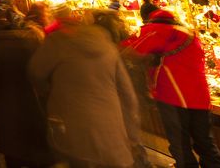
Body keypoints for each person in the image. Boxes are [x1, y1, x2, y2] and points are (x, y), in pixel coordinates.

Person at [28, 9, 140, 168]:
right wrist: (132, 136)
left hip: (72, 128)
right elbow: (127, 94)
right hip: (111, 130)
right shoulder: (107, 45)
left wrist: (50, 91)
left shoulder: (57, 42)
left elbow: (35, 72)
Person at [123, 8, 220, 168]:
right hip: (200, 96)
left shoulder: (155, 30)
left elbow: (129, 52)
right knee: (205, 141)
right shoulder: (189, 33)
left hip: (173, 95)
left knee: (179, 141)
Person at [0, 4, 54, 167]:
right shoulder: (30, 38)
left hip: (4, 109)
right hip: (34, 105)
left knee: (13, 153)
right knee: (38, 153)